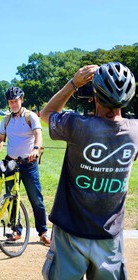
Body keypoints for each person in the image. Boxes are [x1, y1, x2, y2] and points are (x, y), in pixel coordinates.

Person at [40, 62, 138, 279]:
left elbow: (46, 113)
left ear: (94, 95)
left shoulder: (76, 125)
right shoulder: (135, 132)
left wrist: (73, 84)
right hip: (109, 237)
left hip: (69, 233)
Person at [0, 86, 51, 246]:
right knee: (11, 197)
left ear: (22, 100)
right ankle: (16, 230)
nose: (13, 104)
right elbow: (0, 139)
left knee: (36, 199)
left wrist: (36, 149)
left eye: (15, 101)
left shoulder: (30, 116)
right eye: (10, 102)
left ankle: (43, 232)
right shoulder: (6, 119)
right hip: (10, 162)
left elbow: (38, 134)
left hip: (28, 162)